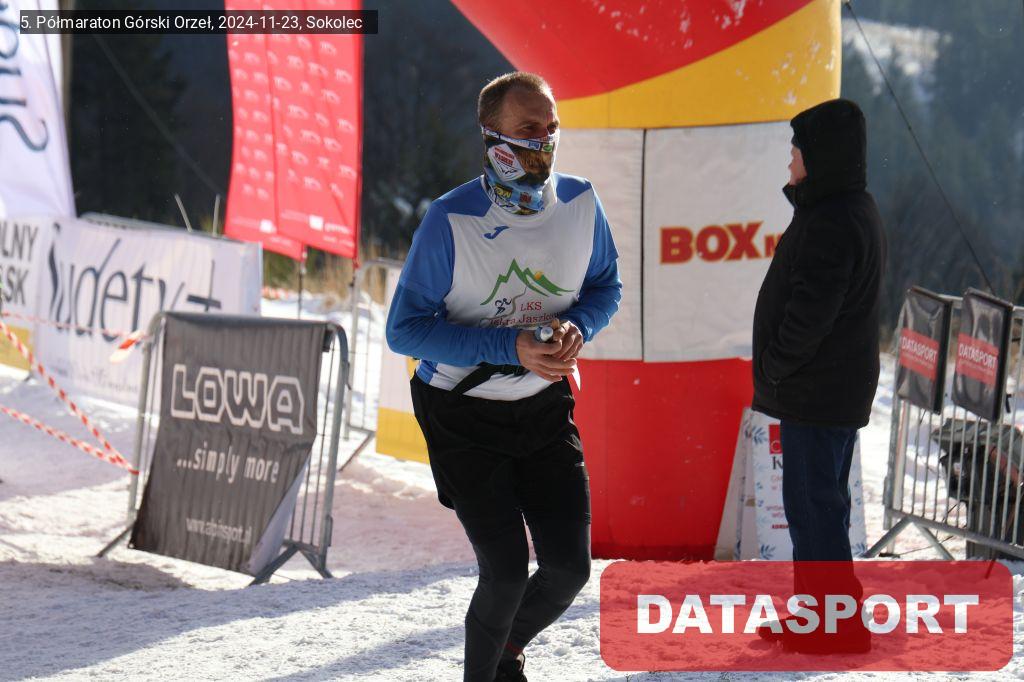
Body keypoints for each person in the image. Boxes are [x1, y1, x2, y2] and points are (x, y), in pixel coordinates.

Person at [386, 71, 621, 681]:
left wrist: (578, 328)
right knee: (507, 573)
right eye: (528, 129)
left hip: (543, 405)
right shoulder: (450, 219)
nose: (544, 141)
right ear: (493, 137)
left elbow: (605, 287)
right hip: (461, 413)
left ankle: (504, 656)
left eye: (551, 127)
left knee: (568, 570)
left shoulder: (581, 202)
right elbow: (404, 331)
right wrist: (509, 346)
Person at [752, 98, 884, 653]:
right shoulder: (843, 207)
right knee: (819, 506)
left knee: (815, 509)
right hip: (828, 389)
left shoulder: (831, 219)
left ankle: (836, 625)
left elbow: (811, 315)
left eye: (796, 151)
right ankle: (819, 616)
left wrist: (775, 367)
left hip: (816, 391)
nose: (790, 162)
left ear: (820, 156)